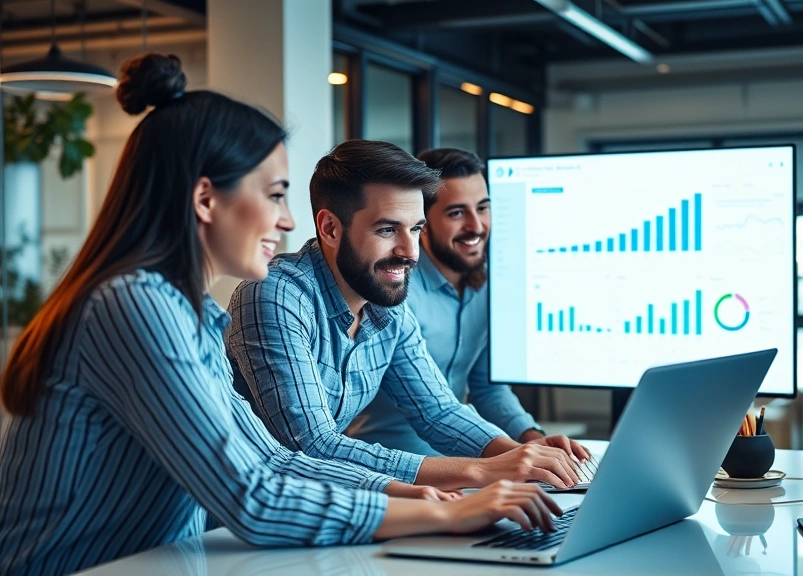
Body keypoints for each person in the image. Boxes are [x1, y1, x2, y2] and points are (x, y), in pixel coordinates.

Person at [0, 54, 560, 576]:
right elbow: (253, 497)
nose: (289, 221)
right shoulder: (134, 305)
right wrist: (449, 512)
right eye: (274, 195)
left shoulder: (188, 312)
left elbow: (270, 458)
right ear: (205, 200)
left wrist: (407, 493)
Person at [226, 140, 590, 493]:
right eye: (387, 229)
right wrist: (483, 470)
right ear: (330, 228)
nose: (410, 252)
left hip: (319, 509)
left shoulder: (387, 301)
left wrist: (525, 455)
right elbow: (313, 444)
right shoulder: (275, 293)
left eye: (415, 228)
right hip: (228, 527)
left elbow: (438, 411)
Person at [350, 148, 546, 455]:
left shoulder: (488, 285)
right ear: (421, 221)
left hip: (461, 462)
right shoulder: (394, 290)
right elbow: (434, 413)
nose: (476, 226)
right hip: (390, 469)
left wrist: (533, 438)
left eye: (482, 208)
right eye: (457, 213)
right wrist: (511, 456)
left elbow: (487, 387)